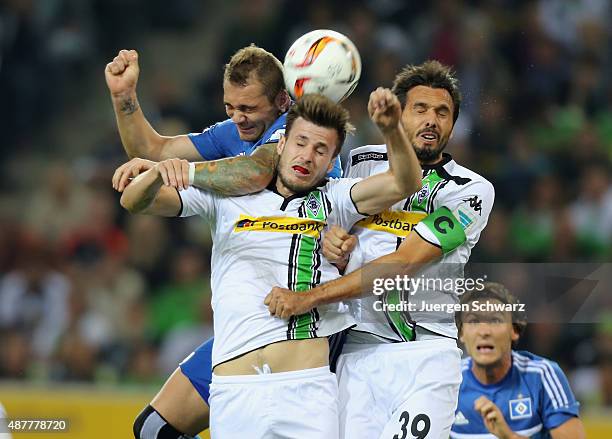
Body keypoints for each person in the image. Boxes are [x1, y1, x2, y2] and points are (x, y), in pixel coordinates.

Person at [117, 93, 421, 438]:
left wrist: (392, 129)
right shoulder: (227, 198)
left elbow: (404, 182)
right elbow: (134, 202)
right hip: (234, 390)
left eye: (320, 150)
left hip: (305, 390)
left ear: (332, 160)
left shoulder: (336, 198)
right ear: (280, 145)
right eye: (300, 143)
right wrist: (158, 173)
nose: (306, 156)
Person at [106, 45, 341, 438]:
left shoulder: (300, 136)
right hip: (241, 330)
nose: (237, 118)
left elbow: (254, 172)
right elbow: (153, 150)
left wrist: (181, 172)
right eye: (230, 107)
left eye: (247, 108)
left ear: (282, 100)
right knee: (154, 429)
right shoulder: (235, 132)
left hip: (303, 331)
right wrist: (124, 98)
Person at [264, 60, 495, 438]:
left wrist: (309, 297)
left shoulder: (470, 192)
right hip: (355, 350)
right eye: (420, 109)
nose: (431, 121)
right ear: (399, 113)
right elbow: (321, 220)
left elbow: (402, 264)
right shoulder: (359, 161)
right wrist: (331, 239)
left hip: (425, 354)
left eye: (443, 112)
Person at [452, 282, 586, 439]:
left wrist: (509, 436)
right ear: (461, 333)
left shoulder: (542, 375)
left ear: (514, 330)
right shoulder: (449, 382)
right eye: (474, 321)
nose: (484, 331)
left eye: (495, 321)